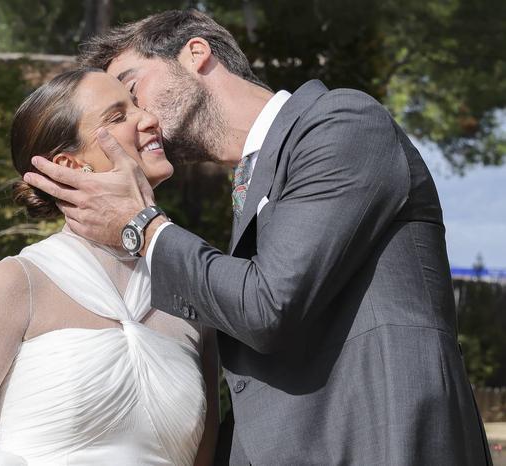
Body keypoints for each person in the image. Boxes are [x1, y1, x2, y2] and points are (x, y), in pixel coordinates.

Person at [24, 9, 492, 466]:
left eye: (133, 89)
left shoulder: (342, 122)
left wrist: (143, 226)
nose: (139, 119)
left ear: (196, 53)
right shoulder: (250, 184)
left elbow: (270, 305)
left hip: (384, 439)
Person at [0, 68, 219, 466]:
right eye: (118, 115)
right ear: (70, 165)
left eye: (138, 105)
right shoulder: (18, 283)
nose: (148, 119)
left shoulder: (191, 287)